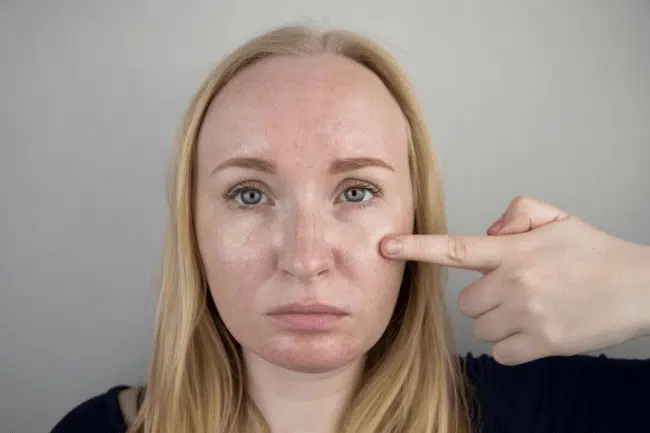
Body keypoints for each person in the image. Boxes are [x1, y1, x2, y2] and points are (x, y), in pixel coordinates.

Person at [50, 25, 650, 433]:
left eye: (357, 191)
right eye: (250, 194)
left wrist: (641, 284)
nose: (306, 259)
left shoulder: (555, 409)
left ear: (416, 214)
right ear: (194, 230)